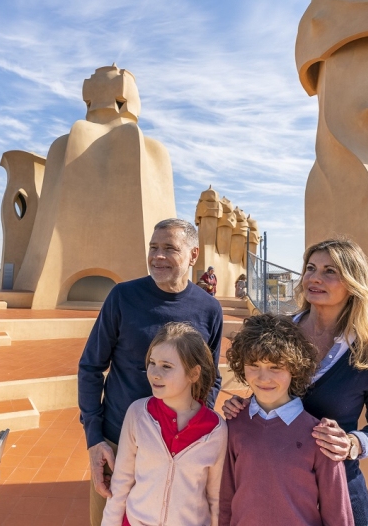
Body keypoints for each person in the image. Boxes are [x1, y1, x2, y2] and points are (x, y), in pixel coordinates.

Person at [223, 239, 368, 526]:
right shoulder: (278, 331)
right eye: (310, 268)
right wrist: (245, 405)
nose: (315, 278)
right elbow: (268, 387)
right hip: (278, 502)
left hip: (344, 503)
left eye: (330, 271)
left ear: (353, 283)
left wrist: (352, 443)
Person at [79, 218, 225, 526]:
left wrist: (196, 426)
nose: (157, 256)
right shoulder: (122, 297)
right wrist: (95, 438)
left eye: (169, 248)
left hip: (180, 451)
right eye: (153, 247)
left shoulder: (209, 309)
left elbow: (210, 377)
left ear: (193, 255)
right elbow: (91, 366)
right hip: (117, 442)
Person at [220, 313, 352, 526]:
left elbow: (338, 514)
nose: (264, 378)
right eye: (254, 365)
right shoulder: (233, 425)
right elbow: (226, 499)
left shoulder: (320, 435)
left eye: (275, 367)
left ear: (295, 367)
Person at [102, 322, 227, 526]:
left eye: (167, 366)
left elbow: (216, 498)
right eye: (152, 362)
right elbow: (121, 483)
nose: (154, 373)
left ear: (194, 374)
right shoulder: (138, 414)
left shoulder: (216, 430)